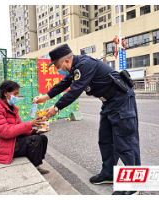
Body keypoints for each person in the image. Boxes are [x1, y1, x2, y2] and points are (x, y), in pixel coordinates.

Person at [34, 44, 141, 195]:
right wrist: (46, 97)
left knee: (125, 142)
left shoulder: (85, 65)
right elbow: (64, 84)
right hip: (109, 102)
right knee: (105, 139)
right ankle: (109, 174)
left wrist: (56, 108)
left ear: (65, 60)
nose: (56, 68)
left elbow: (75, 90)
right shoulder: (74, 68)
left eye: (57, 65)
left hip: (122, 100)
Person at [0, 80, 50, 175]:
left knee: (42, 138)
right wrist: (30, 124)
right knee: (35, 140)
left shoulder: (11, 108)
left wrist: (35, 132)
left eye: (17, 94)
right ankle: (34, 168)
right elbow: (6, 132)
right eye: (15, 94)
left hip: (8, 141)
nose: (17, 97)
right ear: (6, 94)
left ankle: (37, 164)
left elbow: (18, 128)